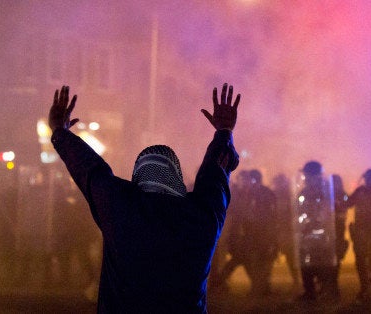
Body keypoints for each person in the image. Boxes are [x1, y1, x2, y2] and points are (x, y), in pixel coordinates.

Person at [49, 84, 240, 313]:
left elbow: (90, 170)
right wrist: (224, 132)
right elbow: (214, 176)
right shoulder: (201, 218)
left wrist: (60, 132)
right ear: (176, 178)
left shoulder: (120, 208)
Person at [296, 161, 338, 301]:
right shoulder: (304, 191)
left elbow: (328, 212)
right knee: (306, 262)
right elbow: (299, 209)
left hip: (322, 235)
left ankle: (327, 290)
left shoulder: (325, 191)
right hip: (306, 234)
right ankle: (310, 291)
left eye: (308, 175)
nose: (306, 178)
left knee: (322, 263)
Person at [347, 168, 371, 302]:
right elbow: (348, 203)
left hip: (370, 231)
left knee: (369, 261)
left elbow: (347, 203)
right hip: (366, 232)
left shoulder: (364, 191)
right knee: (366, 261)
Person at [242, 169, 278, 296]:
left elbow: (270, 214)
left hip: (263, 232)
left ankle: (262, 288)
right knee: (258, 261)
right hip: (256, 233)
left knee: (263, 260)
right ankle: (261, 287)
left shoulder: (263, 193)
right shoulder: (255, 192)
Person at [271, 173, 299, 288]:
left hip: (286, 230)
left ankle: (296, 280)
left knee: (290, 256)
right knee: (272, 255)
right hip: (278, 230)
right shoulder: (275, 195)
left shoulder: (288, 196)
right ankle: (263, 282)